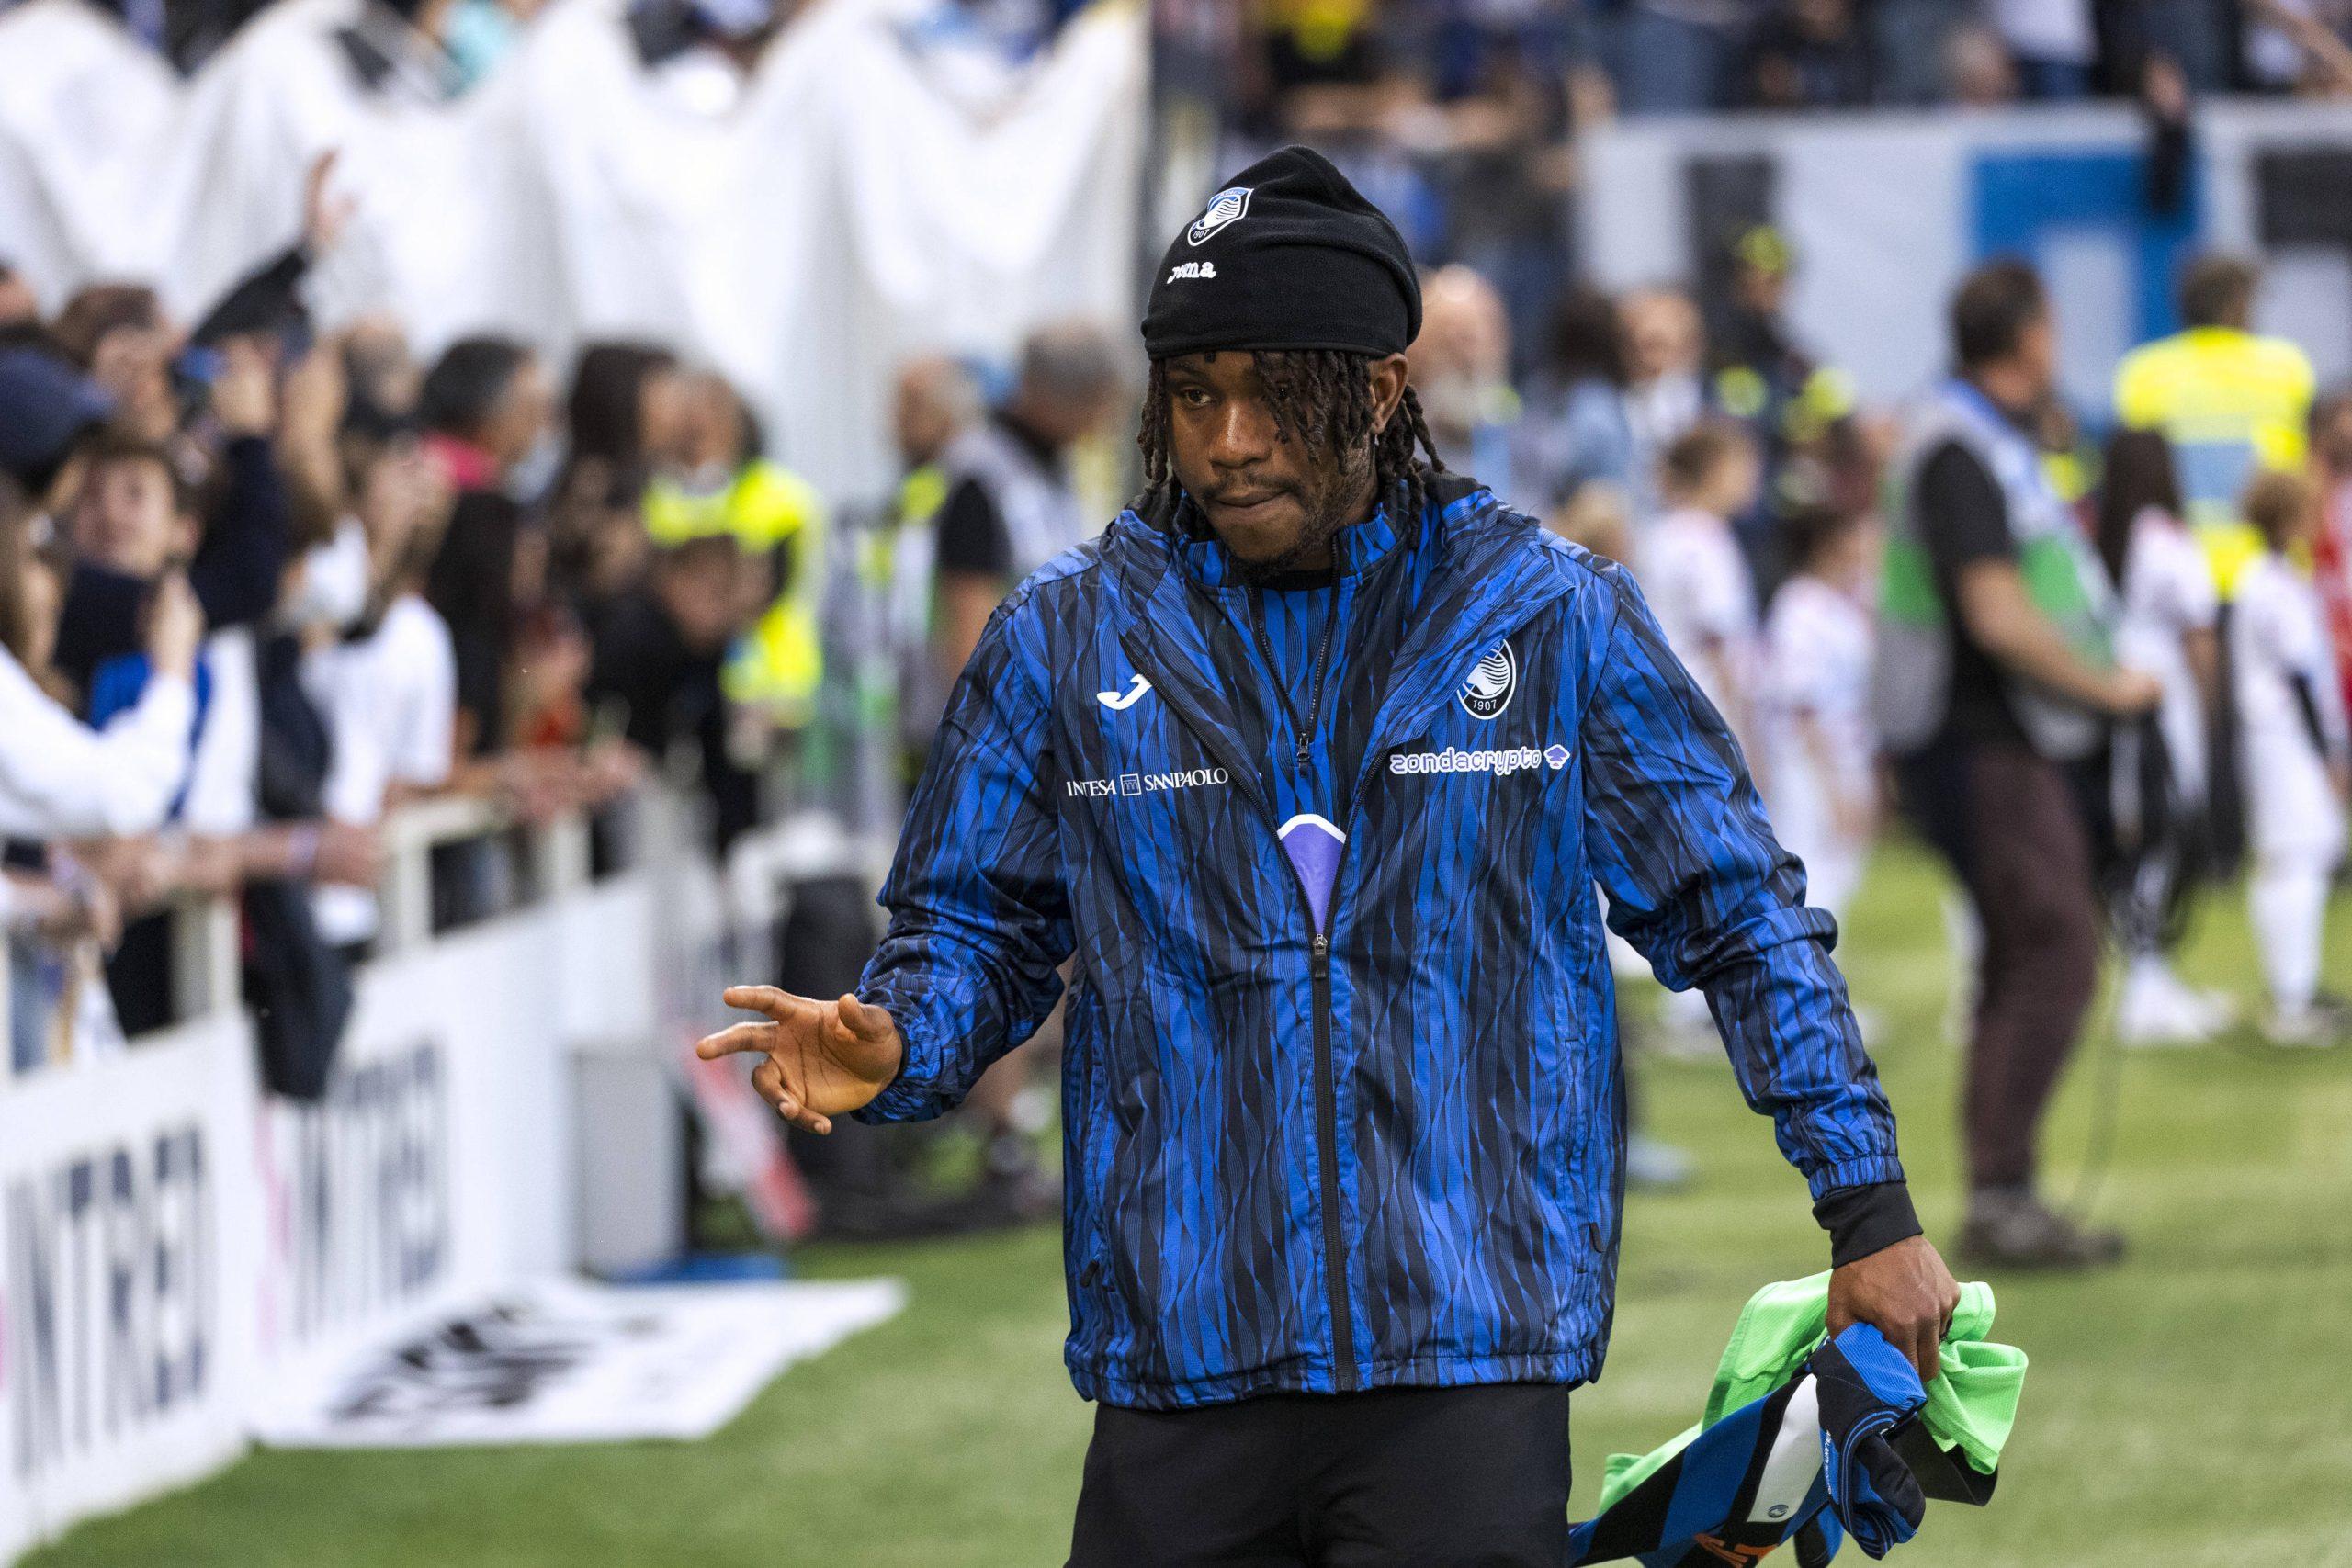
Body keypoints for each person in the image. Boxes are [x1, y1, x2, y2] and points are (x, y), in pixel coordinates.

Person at [699, 146, 1956, 1564]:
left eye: (1272, 393)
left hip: (1466, 1357)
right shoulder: (1065, 635)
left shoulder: (1548, 616)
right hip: (1179, 1365)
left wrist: (1868, 1205)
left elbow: (1739, 914)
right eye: (1192, 394)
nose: (1228, 439)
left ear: (1377, 391)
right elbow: (975, 930)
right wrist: (902, 1034)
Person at [1876, 258, 2161, 1269]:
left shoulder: (1980, 437)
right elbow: (1996, 612)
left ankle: (2003, 1191)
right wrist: (2110, 690)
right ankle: (2001, 1196)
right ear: (2031, 335)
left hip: (1996, 734)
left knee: (2020, 954)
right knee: (2055, 952)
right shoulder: (1960, 446)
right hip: (1982, 735)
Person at [2093, 428, 2231, 1047]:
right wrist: (2213, 708)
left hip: (2118, 694)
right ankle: (2145, 988)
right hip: (2163, 704)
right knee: (2162, 835)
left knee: (2142, 835)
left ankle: (2155, 978)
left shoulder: (2109, 535)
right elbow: (2199, 632)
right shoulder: (2168, 541)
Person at [2113, 254, 2316, 596]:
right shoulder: (2286, 371)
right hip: (2269, 575)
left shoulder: (2142, 376)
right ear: (2236, 304)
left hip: (2176, 579)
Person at [2231, 468, 2350, 1045]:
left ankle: (2296, 988)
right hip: (2285, 739)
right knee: (2296, 858)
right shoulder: (2272, 586)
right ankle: (2291, 999)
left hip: (2281, 738)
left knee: (2298, 855)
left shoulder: (2272, 578)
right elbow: (2300, 677)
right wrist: (2328, 755)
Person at [1760, 503, 1880, 925]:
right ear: (1832, 544)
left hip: (1850, 753)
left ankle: (1821, 966)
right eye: (1859, 535)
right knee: (1812, 875)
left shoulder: (1845, 603)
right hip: (1808, 763)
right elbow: (1802, 706)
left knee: (1843, 876)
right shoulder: (1801, 607)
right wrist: (1833, 788)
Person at [1641, 418, 1766, 759]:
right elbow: (1719, 646)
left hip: (1665, 715)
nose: (1753, 478)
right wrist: (1745, 742)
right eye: (1744, 466)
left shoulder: (1662, 532)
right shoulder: (1704, 539)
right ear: (1715, 470)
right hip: (1704, 720)